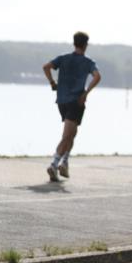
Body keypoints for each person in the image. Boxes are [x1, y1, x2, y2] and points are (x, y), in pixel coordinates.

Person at [42, 31, 101, 181]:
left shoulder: (63, 58)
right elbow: (97, 76)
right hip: (76, 101)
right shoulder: (88, 62)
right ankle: (54, 164)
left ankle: (65, 163)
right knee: (68, 135)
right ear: (86, 45)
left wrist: (52, 83)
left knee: (72, 133)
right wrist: (86, 93)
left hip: (61, 101)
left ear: (74, 43)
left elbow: (46, 67)